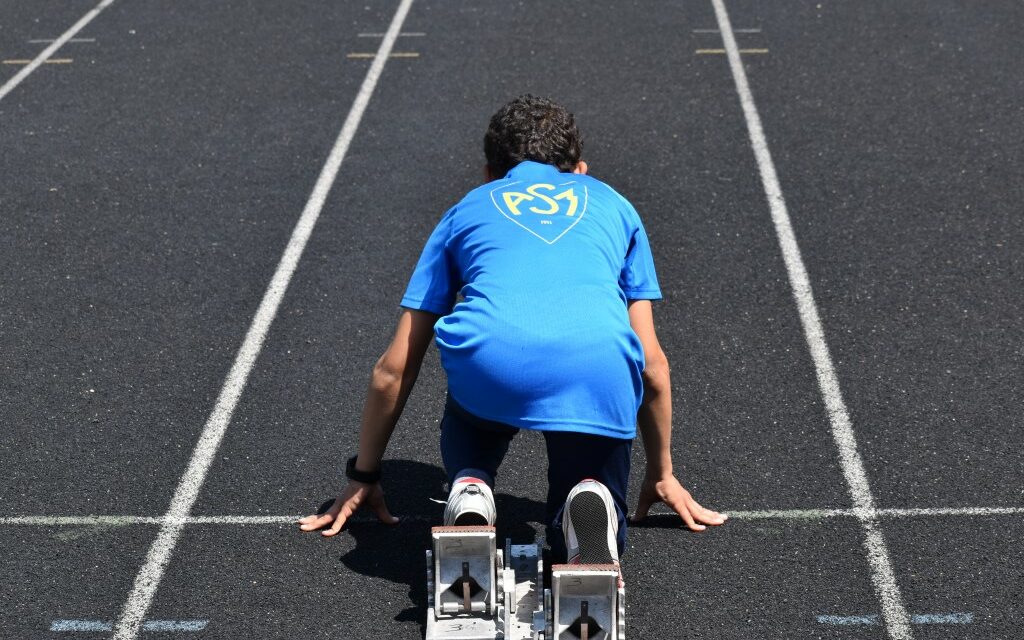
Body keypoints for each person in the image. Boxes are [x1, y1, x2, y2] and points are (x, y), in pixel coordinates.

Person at [299, 94, 725, 570]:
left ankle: (471, 485)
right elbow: (652, 366)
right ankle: (587, 497)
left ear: (489, 174)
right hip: (595, 364)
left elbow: (393, 370)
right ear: (580, 171)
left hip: (493, 363)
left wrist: (364, 474)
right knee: (589, 468)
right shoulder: (617, 206)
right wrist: (662, 471)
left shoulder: (465, 209)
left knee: (475, 392)